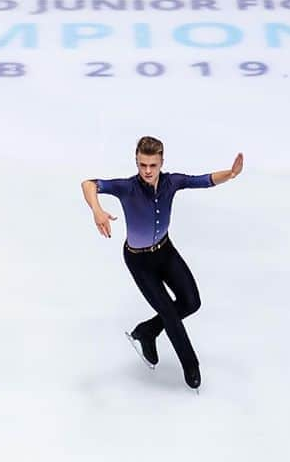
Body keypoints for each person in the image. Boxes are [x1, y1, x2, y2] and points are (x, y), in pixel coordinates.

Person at [81, 136, 243, 392]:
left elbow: (203, 180)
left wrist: (231, 174)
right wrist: (97, 210)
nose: (147, 171)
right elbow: (88, 183)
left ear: (161, 163)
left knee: (192, 302)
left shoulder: (172, 182)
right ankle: (191, 367)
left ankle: (147, 331)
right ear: (137, 162)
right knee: (170, 314)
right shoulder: (127, 187)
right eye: (142, 165)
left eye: (152, 165)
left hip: (165, 252)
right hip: (139, 260)